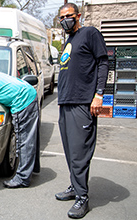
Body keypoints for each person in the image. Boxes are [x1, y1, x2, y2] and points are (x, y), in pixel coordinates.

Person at [56, 3, 108, 219]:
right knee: (70, 151)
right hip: (66, 101)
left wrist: (99, 94)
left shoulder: (90, 33)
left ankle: (82, 198)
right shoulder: (69, 40)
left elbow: (103, 63)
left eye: (69, 16)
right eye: (61, 17)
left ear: (78, 16)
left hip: (82, 102)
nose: (65, 20)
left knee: (79, 152)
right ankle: (74, 186)